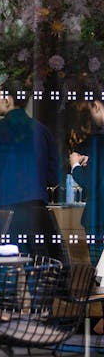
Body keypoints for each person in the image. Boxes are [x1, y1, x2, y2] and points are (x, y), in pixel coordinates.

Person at [0, 79, 59, 255]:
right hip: (37, 210)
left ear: (8, 100)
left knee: (5, 269)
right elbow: (53, 178)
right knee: (39, 268)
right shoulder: (42, 131)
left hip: (5, 210)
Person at [70, 99, 104, 247]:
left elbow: (92, 183)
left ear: (96, 106)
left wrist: (75, 165)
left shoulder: (99, 141)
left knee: (99, 269)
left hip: (99, 220)